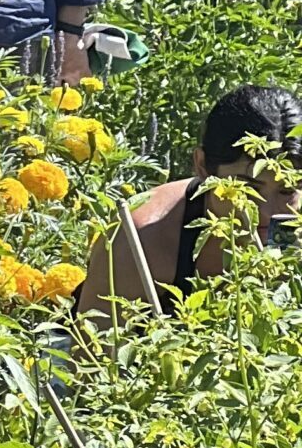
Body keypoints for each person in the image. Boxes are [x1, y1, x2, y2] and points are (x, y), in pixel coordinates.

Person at [78, 85, 302, 322]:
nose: (265, 213)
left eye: (287, 190)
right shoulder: (140, 238)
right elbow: (92, 354)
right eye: (247, 189)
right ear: (202, 166)